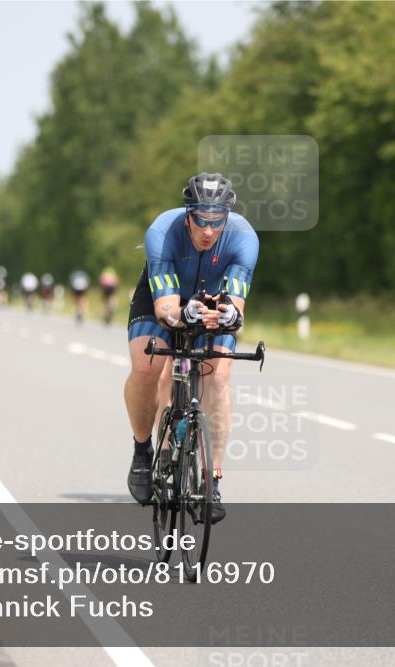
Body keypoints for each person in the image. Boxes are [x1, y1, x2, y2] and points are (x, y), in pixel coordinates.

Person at [123, 172, 258, 523]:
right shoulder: (162, 231)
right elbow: (165, 307)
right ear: (188, 215)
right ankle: (142, 451)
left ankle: (212, 481)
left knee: (218, 377)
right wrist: (182, 314)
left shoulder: (244, 238)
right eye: (200, 219)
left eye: (217, 221)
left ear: (227, 216)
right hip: (164, 297)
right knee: (147, 367)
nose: (208, 230)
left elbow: (236, 304)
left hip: (212, 300)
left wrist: (229, 314)